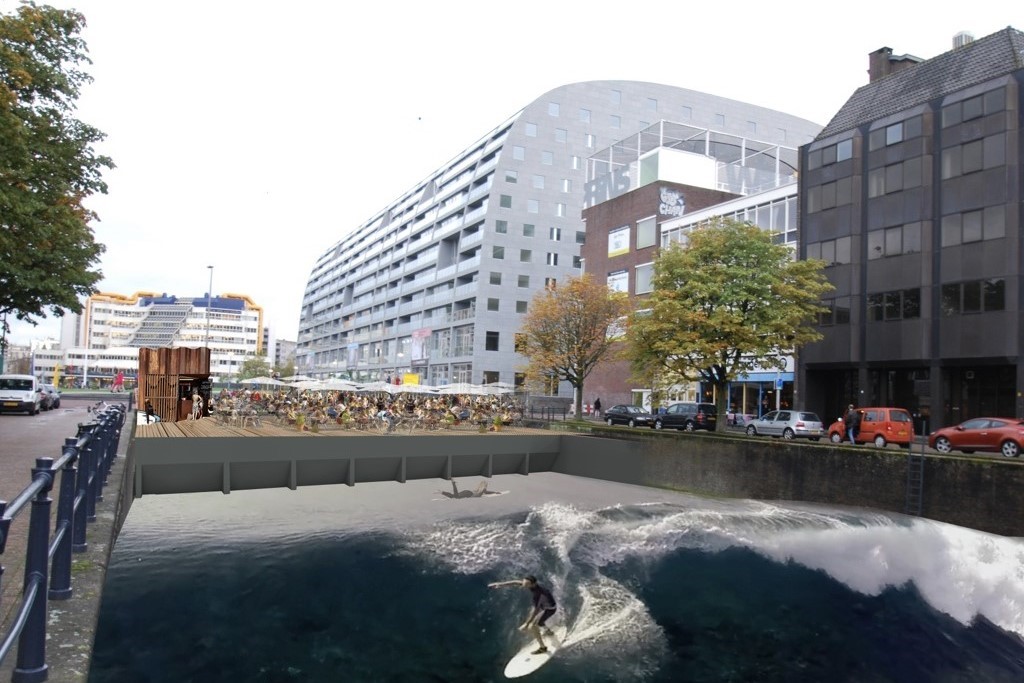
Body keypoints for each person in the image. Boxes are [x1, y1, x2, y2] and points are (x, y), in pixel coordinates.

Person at [488, 575, 557, 655]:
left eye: (527, 584)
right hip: (543, 606)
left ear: (533, 584)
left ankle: (543, 648)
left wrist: (526, 624)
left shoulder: (538, 594)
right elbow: (515, 582)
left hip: (550, 609)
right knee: (539, 622)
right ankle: (548, 631)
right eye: (524, 583)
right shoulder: (532, 586)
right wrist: (500, 584)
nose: (524, 585)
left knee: (532, 626)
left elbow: (536, 611)